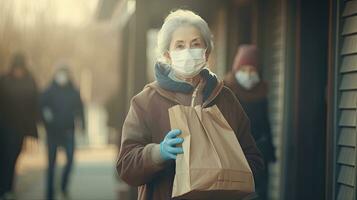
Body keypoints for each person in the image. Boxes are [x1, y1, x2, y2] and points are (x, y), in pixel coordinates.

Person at [117, 10, 264, 200]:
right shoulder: (146, 101)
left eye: (195, 44)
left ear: (206, 53)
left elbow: (255, 162)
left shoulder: (225, 99)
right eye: (179, 46)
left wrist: (226, 162)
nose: (188, 51)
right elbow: (126, 167)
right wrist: (157, 153)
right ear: (167, 55)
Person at [224, 45, 276, 200]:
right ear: (235, 70)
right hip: (233, 156)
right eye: (243, 69)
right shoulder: (226, 91)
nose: (248, 74)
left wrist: (269, 149)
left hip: (258, 156)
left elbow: (266, 124)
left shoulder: (261, 91)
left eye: (252, 70)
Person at [41, 63, 85, 200]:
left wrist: (83, 126)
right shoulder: (48, 91)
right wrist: (46, 118)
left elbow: (80, 110)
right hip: (52, 133)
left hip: (68, 131)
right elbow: (41, 107)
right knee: (51, 165)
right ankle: (49, 194)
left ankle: (64, 186)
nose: (62, 77)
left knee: (70, 160)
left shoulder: (74, 92)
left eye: (64, 74)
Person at [0, 53, 39, 199]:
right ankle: (4, 188)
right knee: (4, 159)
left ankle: (7, 188)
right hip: (3, 126)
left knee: (12, 159)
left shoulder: (30, 82)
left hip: (19, 128)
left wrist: (34, 127)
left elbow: (35, 104)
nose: (18, 71)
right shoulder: (4, 80)